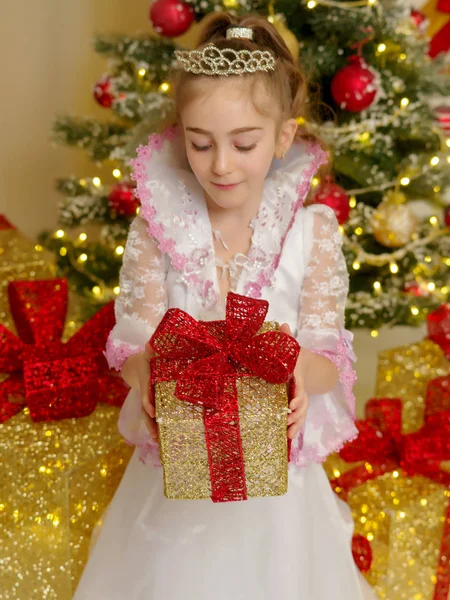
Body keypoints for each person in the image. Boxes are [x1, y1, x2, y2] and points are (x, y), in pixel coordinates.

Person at [73, 12, 377, 600]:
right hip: (176, 473)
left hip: (280, 491)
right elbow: (133, 341)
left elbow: (325, 353)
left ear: (283, 137)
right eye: (200, 143)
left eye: (243, 143)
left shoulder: (310, 234)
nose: (219, 165)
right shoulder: (157, 231)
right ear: (181, 133)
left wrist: (290, 370)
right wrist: (149, 379)